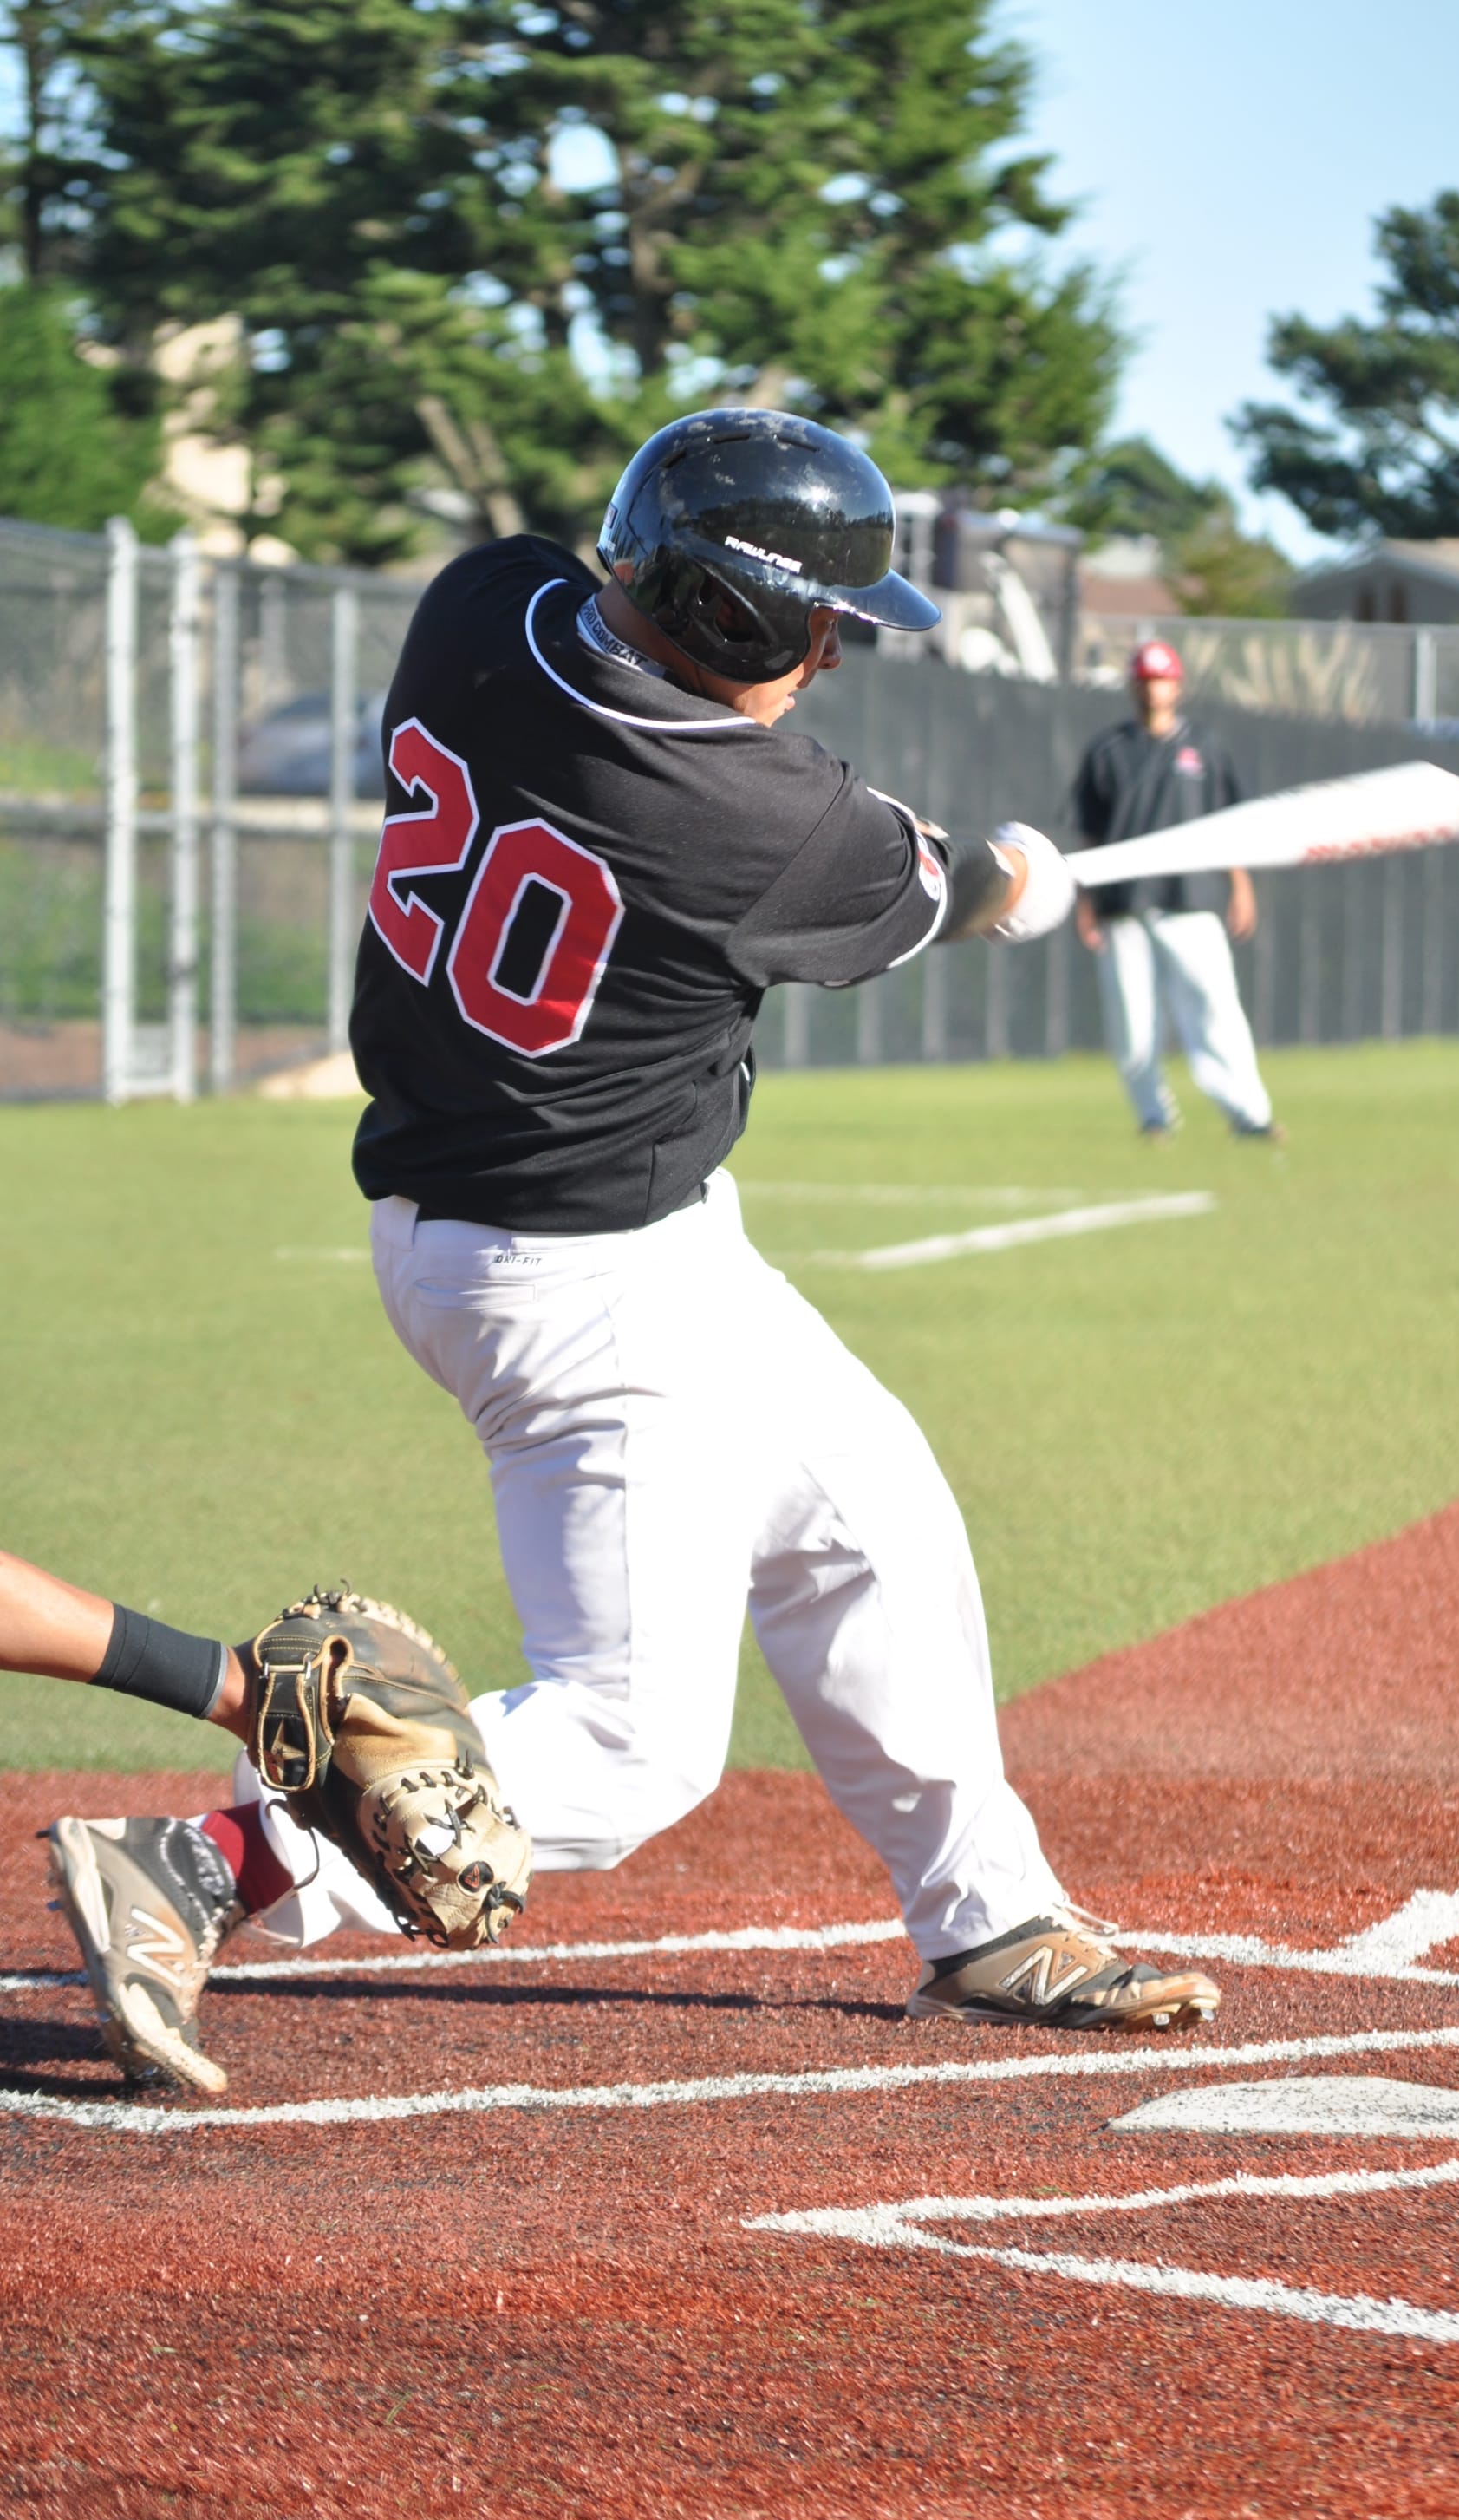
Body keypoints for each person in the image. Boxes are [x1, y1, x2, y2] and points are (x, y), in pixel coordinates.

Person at [31, 409, 1221, 2094]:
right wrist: (1011, 882)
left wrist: (972, 875)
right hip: (575, 1285)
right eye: (819, 629)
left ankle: (988, 1913)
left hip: (577, 1232)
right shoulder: (762, 815)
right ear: (741, 620)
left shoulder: (484, 607)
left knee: (865, 1511)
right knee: (627, 1738)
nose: (830, 662)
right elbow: (919, 890)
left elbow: (840, 838)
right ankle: (205, 1870)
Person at [1073, 638, 1280, 1142]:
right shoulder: (1108, 751)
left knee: (1215, 1009)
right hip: (1123, 903)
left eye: (1161, 679)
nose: (1153, 689)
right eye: (1144, 680)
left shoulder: (1205, 748)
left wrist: (1241, 886)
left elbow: (1226, 822)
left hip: (1191, 898)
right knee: (1133, 1023)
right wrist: (1085, 904)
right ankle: (1153, 1118)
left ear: (1178, 685)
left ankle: (1250, 1114)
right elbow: (1090, 833)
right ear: (1132, 686)